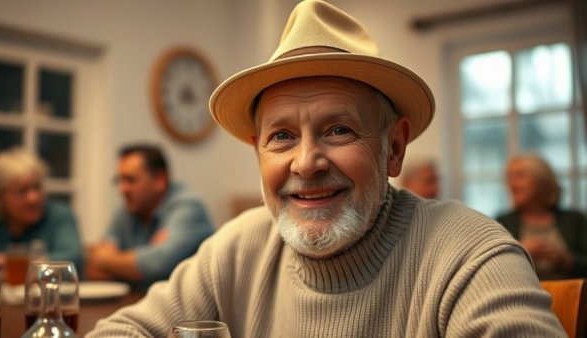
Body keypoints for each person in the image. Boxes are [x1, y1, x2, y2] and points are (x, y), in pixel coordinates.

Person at [87, 1, 564, 336]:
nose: (306, 162)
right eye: (282, 136)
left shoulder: (469, 254)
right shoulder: (237, 248)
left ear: (393, 147)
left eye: (338, 130)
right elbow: (124, 330)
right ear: (259, 153)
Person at [85, 144, 215, 289]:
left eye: (131, 180)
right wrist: (136, 264)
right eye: (119, 180)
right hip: (139, 303)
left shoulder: (188, 207)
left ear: (160, 179)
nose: (122, 189)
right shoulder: (128, 208)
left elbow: (158, 265)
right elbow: (93, 268)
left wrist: (108, 260)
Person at [0, 148, 83, 272]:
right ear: (0, 197)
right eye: (21, 191)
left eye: (37, 187)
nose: (34, 198)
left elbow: (72, 258)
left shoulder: (59, 215)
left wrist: (17, 264)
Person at [496, 154, 587, 280]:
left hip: (572, 296)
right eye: (509, 177)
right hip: (522, 298)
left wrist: (567, 261)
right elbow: (494, 271)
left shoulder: (575, 220)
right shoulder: (502, 223)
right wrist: (520, 254)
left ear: (542, 181)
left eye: (520, 176)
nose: (512, 184)